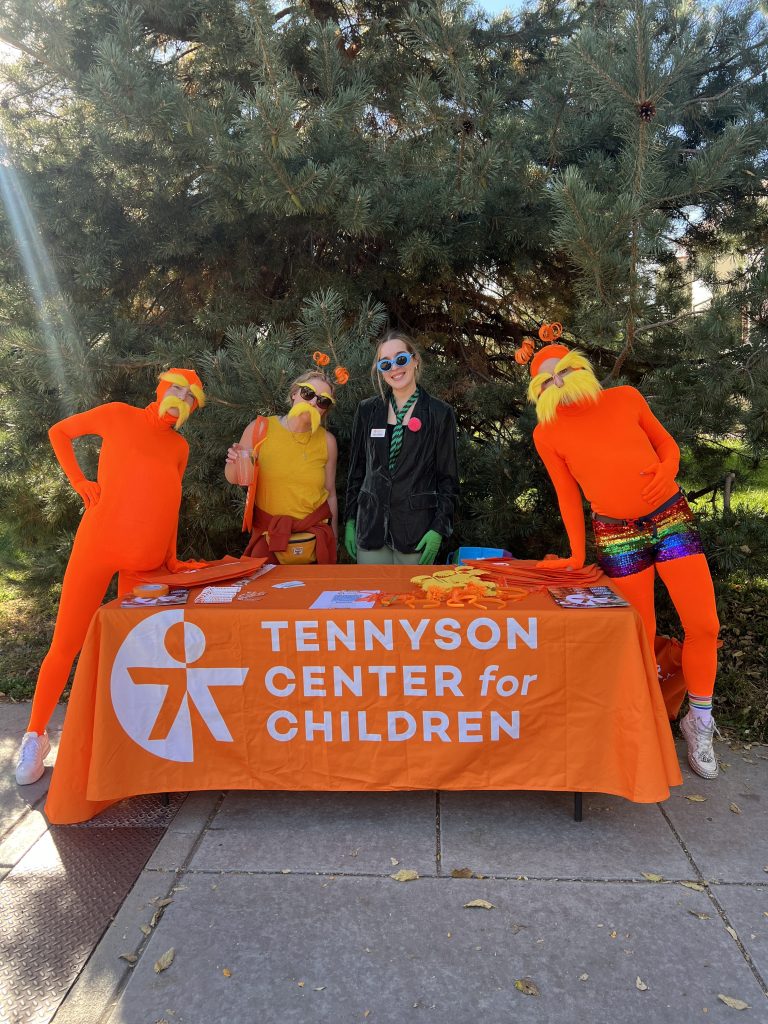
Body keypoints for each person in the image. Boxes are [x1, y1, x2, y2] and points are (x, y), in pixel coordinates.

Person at [526, 341, 721, 779]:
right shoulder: (548, 432)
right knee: (639, 632)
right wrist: (576, 552)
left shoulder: (625, 398)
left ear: (580, 368)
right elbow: (566, 493)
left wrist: (668, 468)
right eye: (547, 379)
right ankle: (648, 720)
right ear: (538, 389)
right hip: (615, 533)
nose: (559, 382)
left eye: (565, 371)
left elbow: (668, 447)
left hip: (669, 516)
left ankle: (699, 719)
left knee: (704, 624)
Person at [15, 368, 207, 785]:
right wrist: (79, 481)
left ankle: (135, 743)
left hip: (147, 561)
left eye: (191, 397)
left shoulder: (179, 445)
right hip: (97, 548)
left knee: (142, 653)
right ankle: (34, 734)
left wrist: (171, 560)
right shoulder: (119, 415)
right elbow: (59, 432)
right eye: (177, 389)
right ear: (161, 388)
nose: (182, 400)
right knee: (65, 643)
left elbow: (170, 503)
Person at [344, 331, 459, 565]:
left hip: (417, 531)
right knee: (372, 599)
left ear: (415, 360)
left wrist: (439, 528)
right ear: (380, 370)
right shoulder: (367, 411)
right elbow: (356, 471)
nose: (394, 368)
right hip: (371, 530)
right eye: (385, 363)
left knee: (413, 601)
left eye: (401, 359)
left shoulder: (439, 413)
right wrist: (350, 520)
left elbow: (448, 479)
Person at [226, 371, 338, 563]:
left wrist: (334, 538)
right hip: (269, 539)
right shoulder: (259, 429)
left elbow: (330, 493)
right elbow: (236, 479)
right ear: (294, 393)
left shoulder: (327, 441)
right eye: (308, 393)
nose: (312, 403)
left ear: (324, 409)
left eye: (323, 401)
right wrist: (234, 461)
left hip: (313, 542)